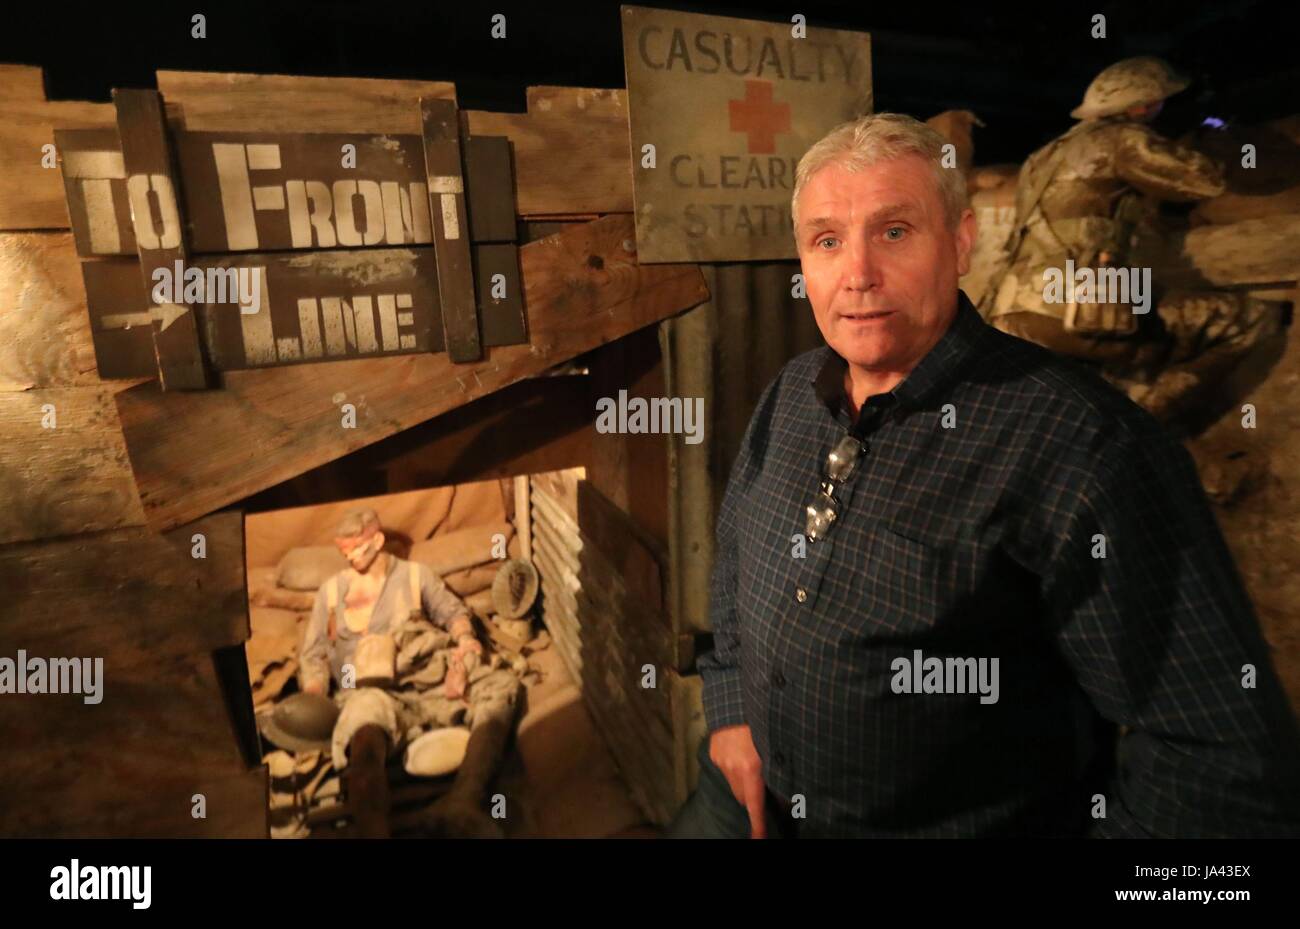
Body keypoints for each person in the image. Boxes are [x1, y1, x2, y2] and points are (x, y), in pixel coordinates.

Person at [668, 112, 1300, 838]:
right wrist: (729, 710)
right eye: (828, 240)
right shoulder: (790, 394)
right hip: (742, 798)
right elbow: (737, 557)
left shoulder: (1081, 443)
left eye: (895, 231)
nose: (859, 274)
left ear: (962, 242)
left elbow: (1223, 764)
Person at [982, 56, 1286, 428]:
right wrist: (1202, 134)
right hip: (1071, 316)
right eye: (1163, 102)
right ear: (1143, 106)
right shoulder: (1121, 140)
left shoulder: (1043, 156)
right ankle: (1142, 431)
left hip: (1013, 319)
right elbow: (1203, 180)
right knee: (1250, 318)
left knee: (1110, 362)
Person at [299, 508, 486, 768]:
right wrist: (313, 697)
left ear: (377, 541)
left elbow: (453, 613)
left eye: (357, 549)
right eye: (344, 552)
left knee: (498, 689)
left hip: (423, 685)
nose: (350, 557)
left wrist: (465, 639)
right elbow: (314, 655)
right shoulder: (330, 593)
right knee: (365, 736)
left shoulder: (414, 575)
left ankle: (470, 788)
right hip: (363, 696)